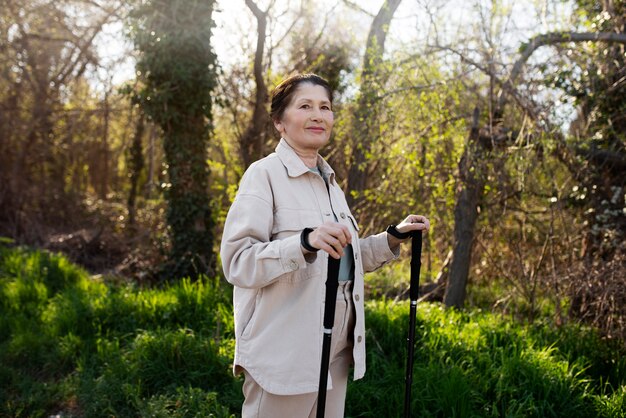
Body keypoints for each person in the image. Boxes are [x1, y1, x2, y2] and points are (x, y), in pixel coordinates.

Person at [220, 73, 430, 418]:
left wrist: (392, 237)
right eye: (305, 106)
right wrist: (301, 242)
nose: (318, 115)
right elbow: (238, 262)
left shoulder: (331, 183)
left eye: (325, 107)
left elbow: (342, 259)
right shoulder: (264, 176)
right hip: (285, 352)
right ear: (279, 122)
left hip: (335, 350)